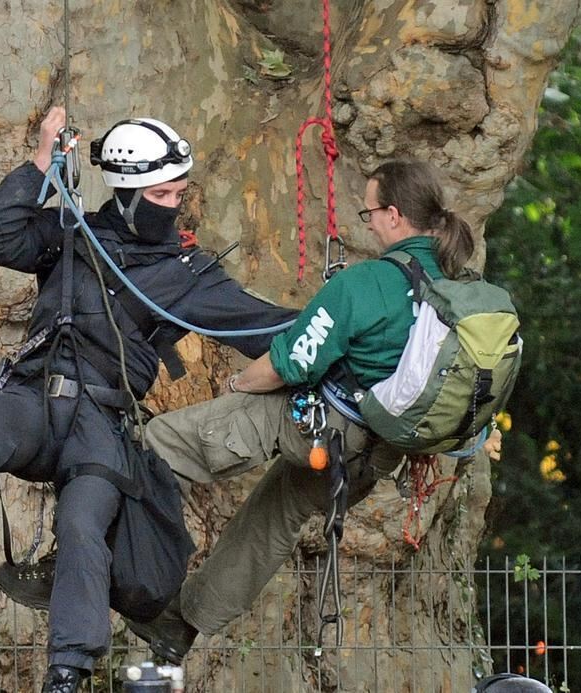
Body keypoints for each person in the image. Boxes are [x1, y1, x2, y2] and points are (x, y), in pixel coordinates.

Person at [0, 106, 296, 693]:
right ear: (131, 195)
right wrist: (42, 161)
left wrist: (351, 324)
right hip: (33, 402)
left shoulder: (186, 273)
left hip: (101, 422)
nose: (176, 205)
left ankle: (69, 673)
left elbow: (264, 326)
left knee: (84, 526)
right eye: (165, 194)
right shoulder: (70, 234)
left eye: (179, 193)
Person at [128, 159, 487, 664]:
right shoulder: (455, 287)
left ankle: (102, 568)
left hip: (320, 430)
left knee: (154, 443)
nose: (366, 225)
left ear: (392, 215)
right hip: (375, 458)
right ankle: (179, 627)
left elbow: (288, 363)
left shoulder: (369, 283)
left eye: (367, 214)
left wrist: (237, 383)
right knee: (274, 517)